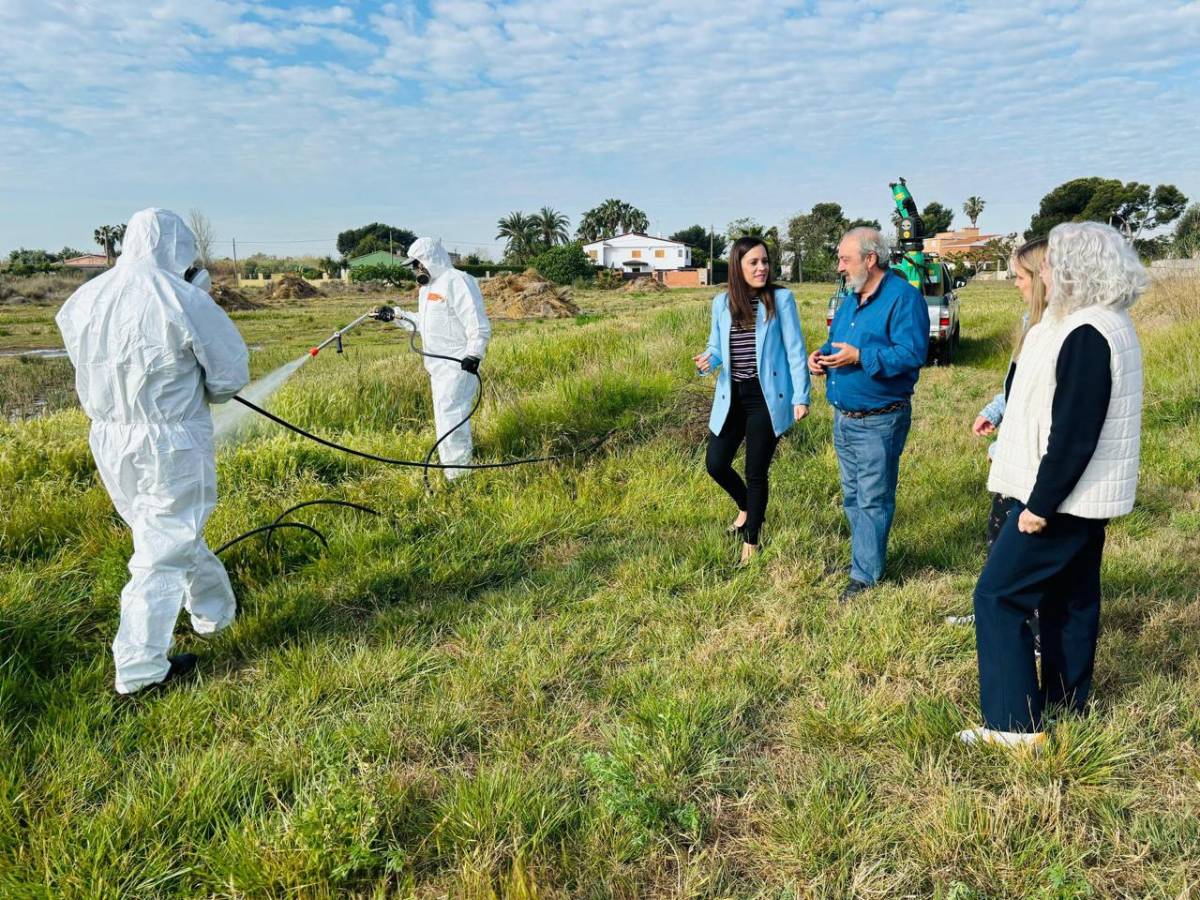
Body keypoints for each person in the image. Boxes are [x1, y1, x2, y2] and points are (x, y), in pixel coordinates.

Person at [960, 222, 1146, 749]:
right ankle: (1067, 708)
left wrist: (1039, 504)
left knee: (997, 596)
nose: (1042, 273)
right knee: (1070, 601)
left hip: (1063, 498)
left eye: (1048, 265)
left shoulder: (1087, 331)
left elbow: (1074, 430)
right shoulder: (1108, 322)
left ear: (1074, 269)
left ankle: (1013, 726)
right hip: (1087, 497)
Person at [55, 208, 250, 694]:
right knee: (161, 551)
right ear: (179, 249)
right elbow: (228, 379)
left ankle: (214, 613)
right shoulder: (182, 297)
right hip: (171, 441)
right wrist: (196, 302)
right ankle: (140, 670)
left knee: (164, 533)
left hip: (109, 439)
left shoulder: (84, 299)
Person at [807, 227, 930, 601]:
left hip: (880, 419)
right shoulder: (850, 299)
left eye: (845, 259)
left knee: (873, 498)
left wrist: (860, 357)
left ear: (870, 259)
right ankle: (862, 560)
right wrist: (821, 357)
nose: (840, 267)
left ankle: (865, 576)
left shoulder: (903, 299)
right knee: (851, 495)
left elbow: (912, 354)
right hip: (844, 417)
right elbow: (837, 343)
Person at [947, 237, 1049, 629]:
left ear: (1043, 277)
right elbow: (1016, 386)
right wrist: (995, 410)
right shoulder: (1030, 322)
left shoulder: (1058, 333)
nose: (1015, 283)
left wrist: (1007, 444)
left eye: (1020, 276)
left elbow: (1041, 407)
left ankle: (1033, 629)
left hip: (1034, 463)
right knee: (999, 538)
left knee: (1024, 551)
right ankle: (995, 612)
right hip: (1014, 456)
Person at [694, 237, 810, 564]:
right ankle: (748, 508)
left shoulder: (780, 300)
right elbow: (716, 347)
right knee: (715, 464)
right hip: (732, 396)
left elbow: (795, 350)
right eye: (753, 263)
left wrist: (801, 397)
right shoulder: (722, 303)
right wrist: (708, 360)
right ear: (738, 267)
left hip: (766, 398)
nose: (761, 268)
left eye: (765, 262)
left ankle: (751, 543)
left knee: (756, 472)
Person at [403, 237, 491, 480]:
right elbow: (423, 323)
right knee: (444, 417)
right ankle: (451, 468)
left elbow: (477, 323)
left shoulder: (458, 281)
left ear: (428, 260)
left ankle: (459, 476)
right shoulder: (427, 288)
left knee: (452, 418)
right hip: (437, 367)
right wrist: (396, 316)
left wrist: (474, 353)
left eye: (416, 264)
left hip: (458, 364)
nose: (415, 270)